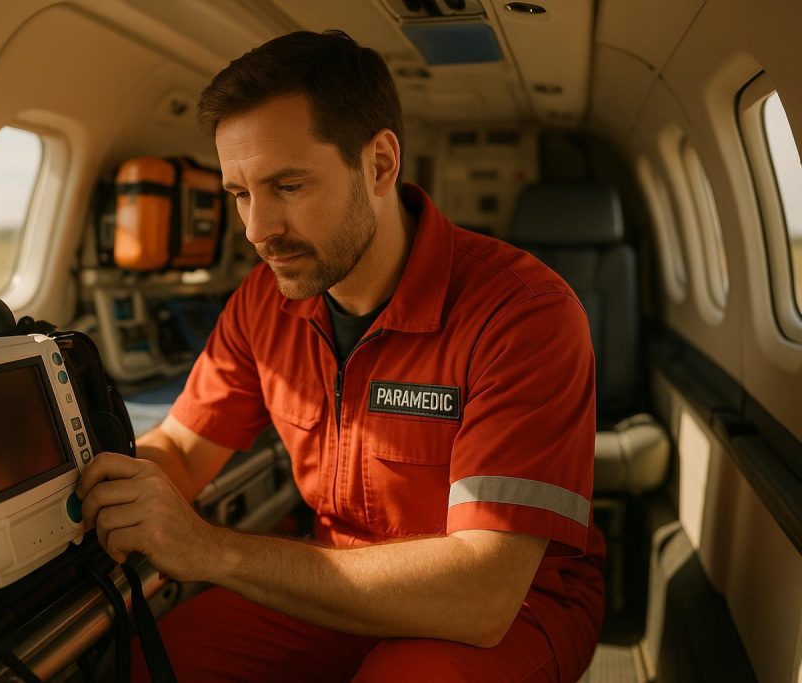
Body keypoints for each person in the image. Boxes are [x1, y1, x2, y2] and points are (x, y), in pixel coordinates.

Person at [76, 30, 605, 682]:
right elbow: (184, 451)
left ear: (380, 165)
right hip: (338, 581)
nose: (256, 229)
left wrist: (212, 550)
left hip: (517, 604)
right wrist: (109, 491)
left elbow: (484, 591)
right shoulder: (262, 303)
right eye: (241, 193)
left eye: (288, 185)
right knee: (140, 664)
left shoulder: (521, 312)